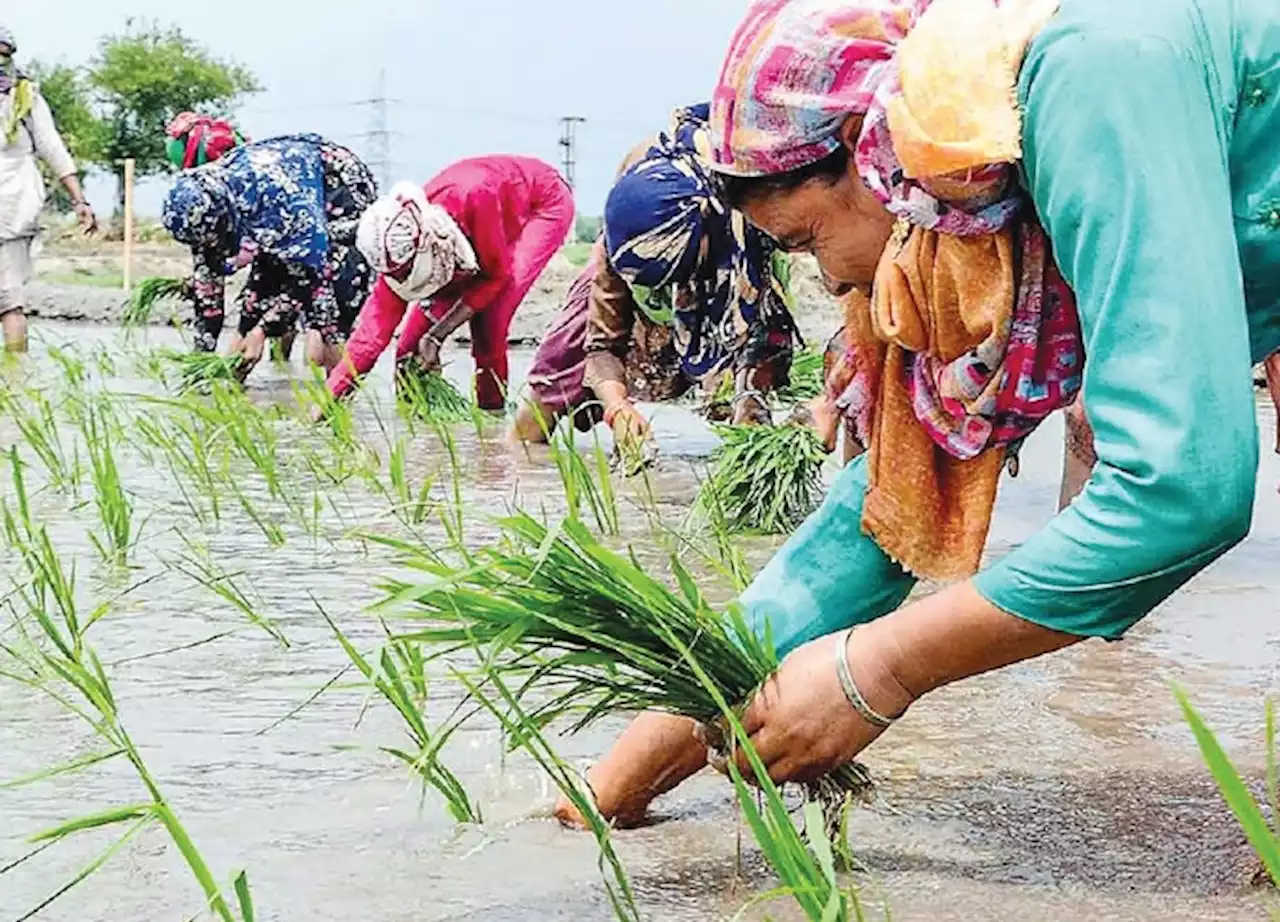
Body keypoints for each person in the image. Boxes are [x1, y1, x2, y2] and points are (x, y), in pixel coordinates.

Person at [557, 0, 1279, 829]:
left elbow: (1182, 491)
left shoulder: (1093, 79)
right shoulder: (982, 242)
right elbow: (884, 509)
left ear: (875, 156)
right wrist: (625, 775)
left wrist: (882, 670)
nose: (826, 282)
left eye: (804, 240)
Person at [513, 105, 800, 446]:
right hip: (640, 268)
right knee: (559, 367)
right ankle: (518, 452)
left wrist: (750, 396)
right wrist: (617, 407)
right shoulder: (634, 226)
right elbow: (602, 343)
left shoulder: (752, 223)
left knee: (742, 397)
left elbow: (763, 334)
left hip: (725, 270)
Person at [325, 156, 575, 411]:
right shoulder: (393, 243)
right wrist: (325, 405)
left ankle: (491, 415)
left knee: (490, 320)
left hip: (541, 204)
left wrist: (437, 335)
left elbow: (494, 276)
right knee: (408, 350)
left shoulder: (469, 201)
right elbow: (369, 336)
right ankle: (416, 418)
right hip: (480, 227)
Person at [161, 133, 376, 378]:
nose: (213, 246)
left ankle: (336, 401)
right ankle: (236, 383)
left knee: (325, 336)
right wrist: (200, 363)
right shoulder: (199, 211)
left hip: (335, 192)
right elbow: (208, 289)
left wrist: (262, 329)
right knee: (250, 316)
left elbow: (310, 276)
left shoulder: (286, 205)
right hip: (277, 205)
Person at [0, 25, 96, 351]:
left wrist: (79, 200)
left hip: (12, 205)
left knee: (8, 297)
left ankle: (17, 376)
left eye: (3, 56)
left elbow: (52, 149)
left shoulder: (25, 97)